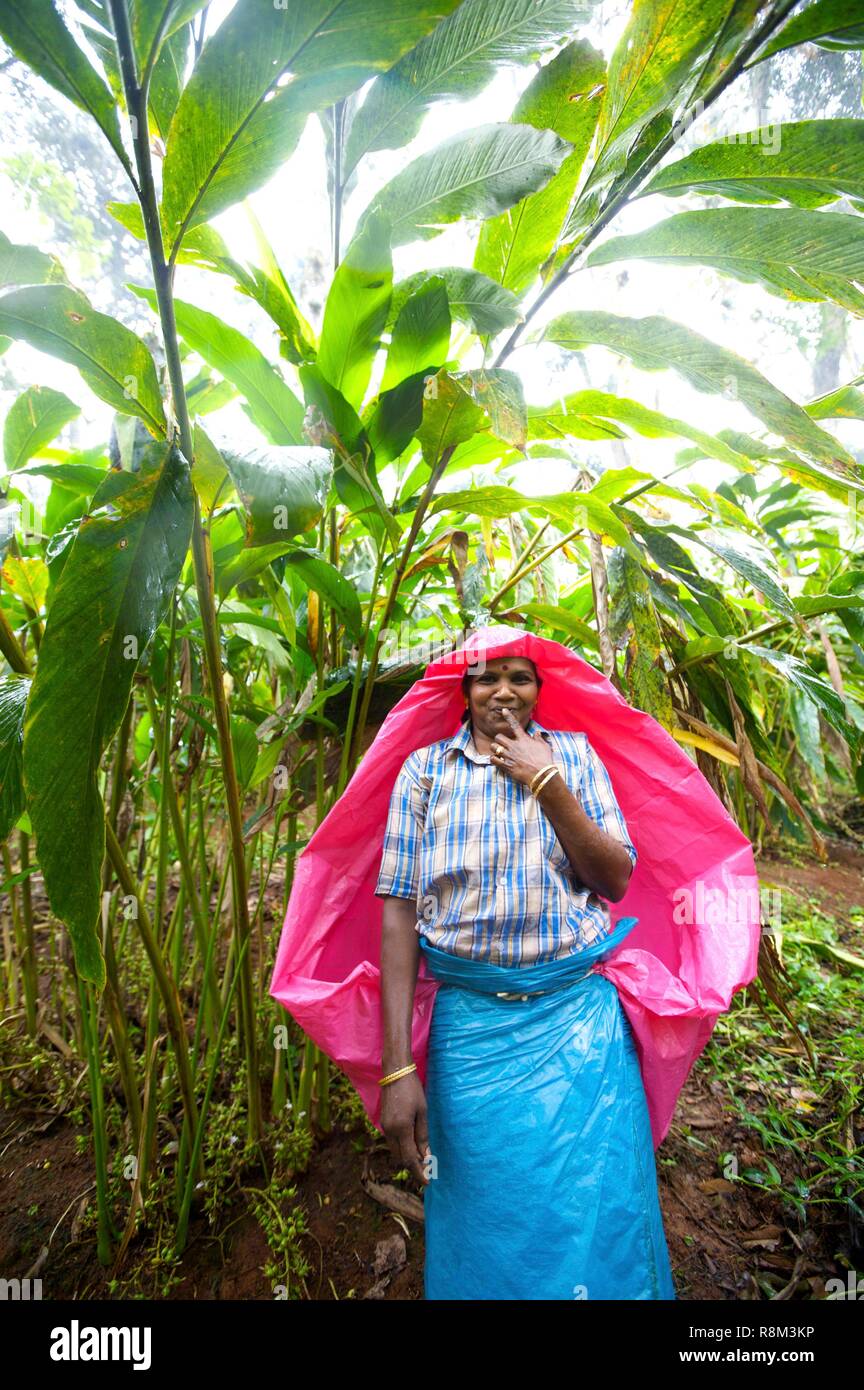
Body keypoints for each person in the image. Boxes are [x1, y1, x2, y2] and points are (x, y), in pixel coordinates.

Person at [374, 652, 677, 1300]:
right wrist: (397, 1068)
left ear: (540, 689)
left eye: (519, 677)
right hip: (472, 1041)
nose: (503, 690)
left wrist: (550, 786)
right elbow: (400, 912)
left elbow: (615, 879)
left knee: (599, 1226)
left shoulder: (574, 755)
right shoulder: (426, 773)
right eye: (488, 677)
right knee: (486, 1226)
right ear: (465, 690)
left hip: (580, 1036)